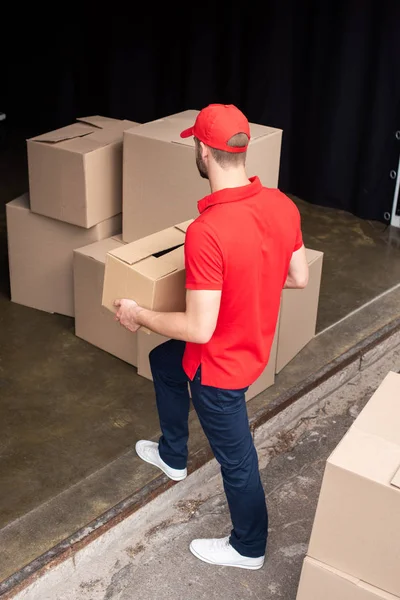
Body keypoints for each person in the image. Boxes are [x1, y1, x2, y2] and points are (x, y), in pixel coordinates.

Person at [114, 103, 309, 570]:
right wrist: (249, 283)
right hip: (250, 342)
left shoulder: (208, 231)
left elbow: (200, 328)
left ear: (202, 150)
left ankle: (249, 546)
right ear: (243, 150)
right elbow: (298, 276)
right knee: (165, 362)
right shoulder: (282, 204)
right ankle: (172, 455)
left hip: (219, 367)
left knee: (238, 460)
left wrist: (139, 313)